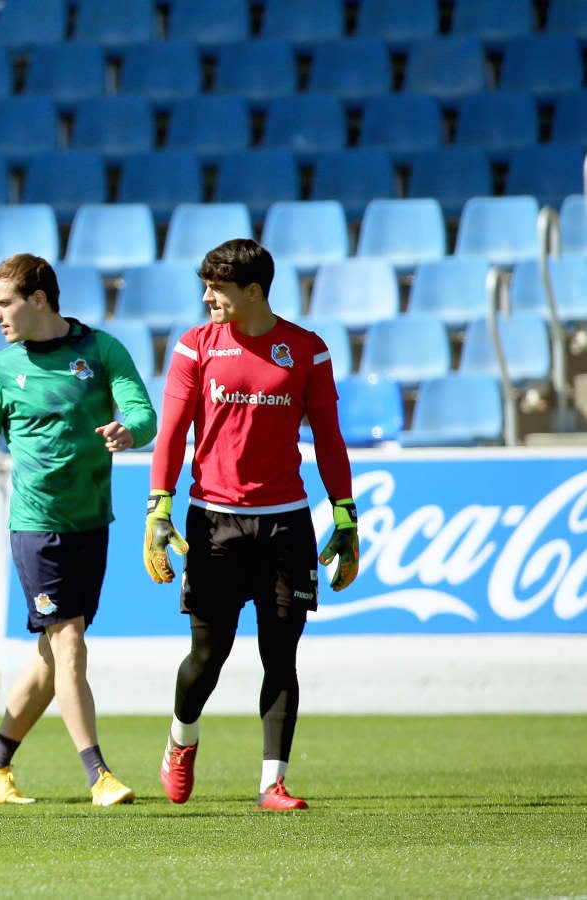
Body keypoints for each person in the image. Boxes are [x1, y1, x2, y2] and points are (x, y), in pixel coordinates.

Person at [144, 238, 360, 811]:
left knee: (280, 656)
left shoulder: (307, 350)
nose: (207, 297)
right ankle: (181, 738)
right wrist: (159, 508)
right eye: (206, 286)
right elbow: (170, 433)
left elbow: (330, 439)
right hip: (213, 523)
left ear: (254, 291)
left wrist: (345, 516)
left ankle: (272, 782)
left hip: (286, 524)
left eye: (218, 288)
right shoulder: (195, 346)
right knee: (206, 658)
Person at [0, 254, 155, 807]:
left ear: (38, 299)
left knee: (52, 652)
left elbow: (142, 410)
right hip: (37, 529)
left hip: (93, 522)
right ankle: (99, 774)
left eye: (3, 303)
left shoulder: (102, 349)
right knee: (69, 644)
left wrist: (129, 430)